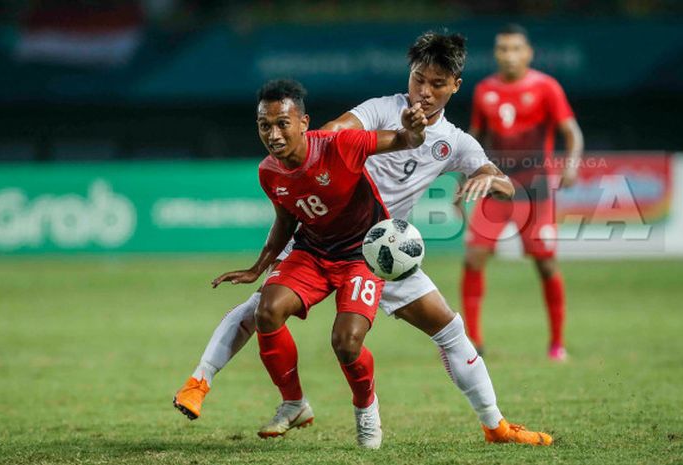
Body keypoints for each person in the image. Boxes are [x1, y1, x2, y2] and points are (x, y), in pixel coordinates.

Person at [174, 32, 553, 446]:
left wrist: (485, 179)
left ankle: (495, 426)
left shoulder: (456, 143)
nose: (424, 92)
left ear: (455, 86)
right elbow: (334, 132)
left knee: (448, 330)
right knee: (260, 308)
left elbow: (501, 182)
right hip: (323, 236)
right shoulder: (381, 110)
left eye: (437, 84)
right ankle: (202, 380)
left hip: (381, 251)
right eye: (418, 79)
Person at [207, 78, 428, 449]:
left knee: (346, 342)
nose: (274, 134)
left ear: (304, 123)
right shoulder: (269, 171)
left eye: (282, 123)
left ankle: (366, 409)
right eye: (265, 125)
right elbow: (285, 220)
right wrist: (258, 267)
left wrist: (414, 130)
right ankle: (293, 403)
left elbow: (405, 141)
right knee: (267, 311)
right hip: (313, 253)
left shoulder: (341, 145)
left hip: (362, 255)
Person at [459, 24, 584, 361]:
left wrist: (571, 164)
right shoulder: (484, 90)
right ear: (496, 53)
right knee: (473, 258)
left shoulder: (546, 87)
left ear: (528, 53)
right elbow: (475, 136)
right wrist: (463, 176)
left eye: (516, 49)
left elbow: (571, 132)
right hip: (495, 188)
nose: (509, 55)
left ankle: (557, 343)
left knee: (545, 264)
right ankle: (473, 342)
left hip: (536, 191)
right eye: (503, 49)